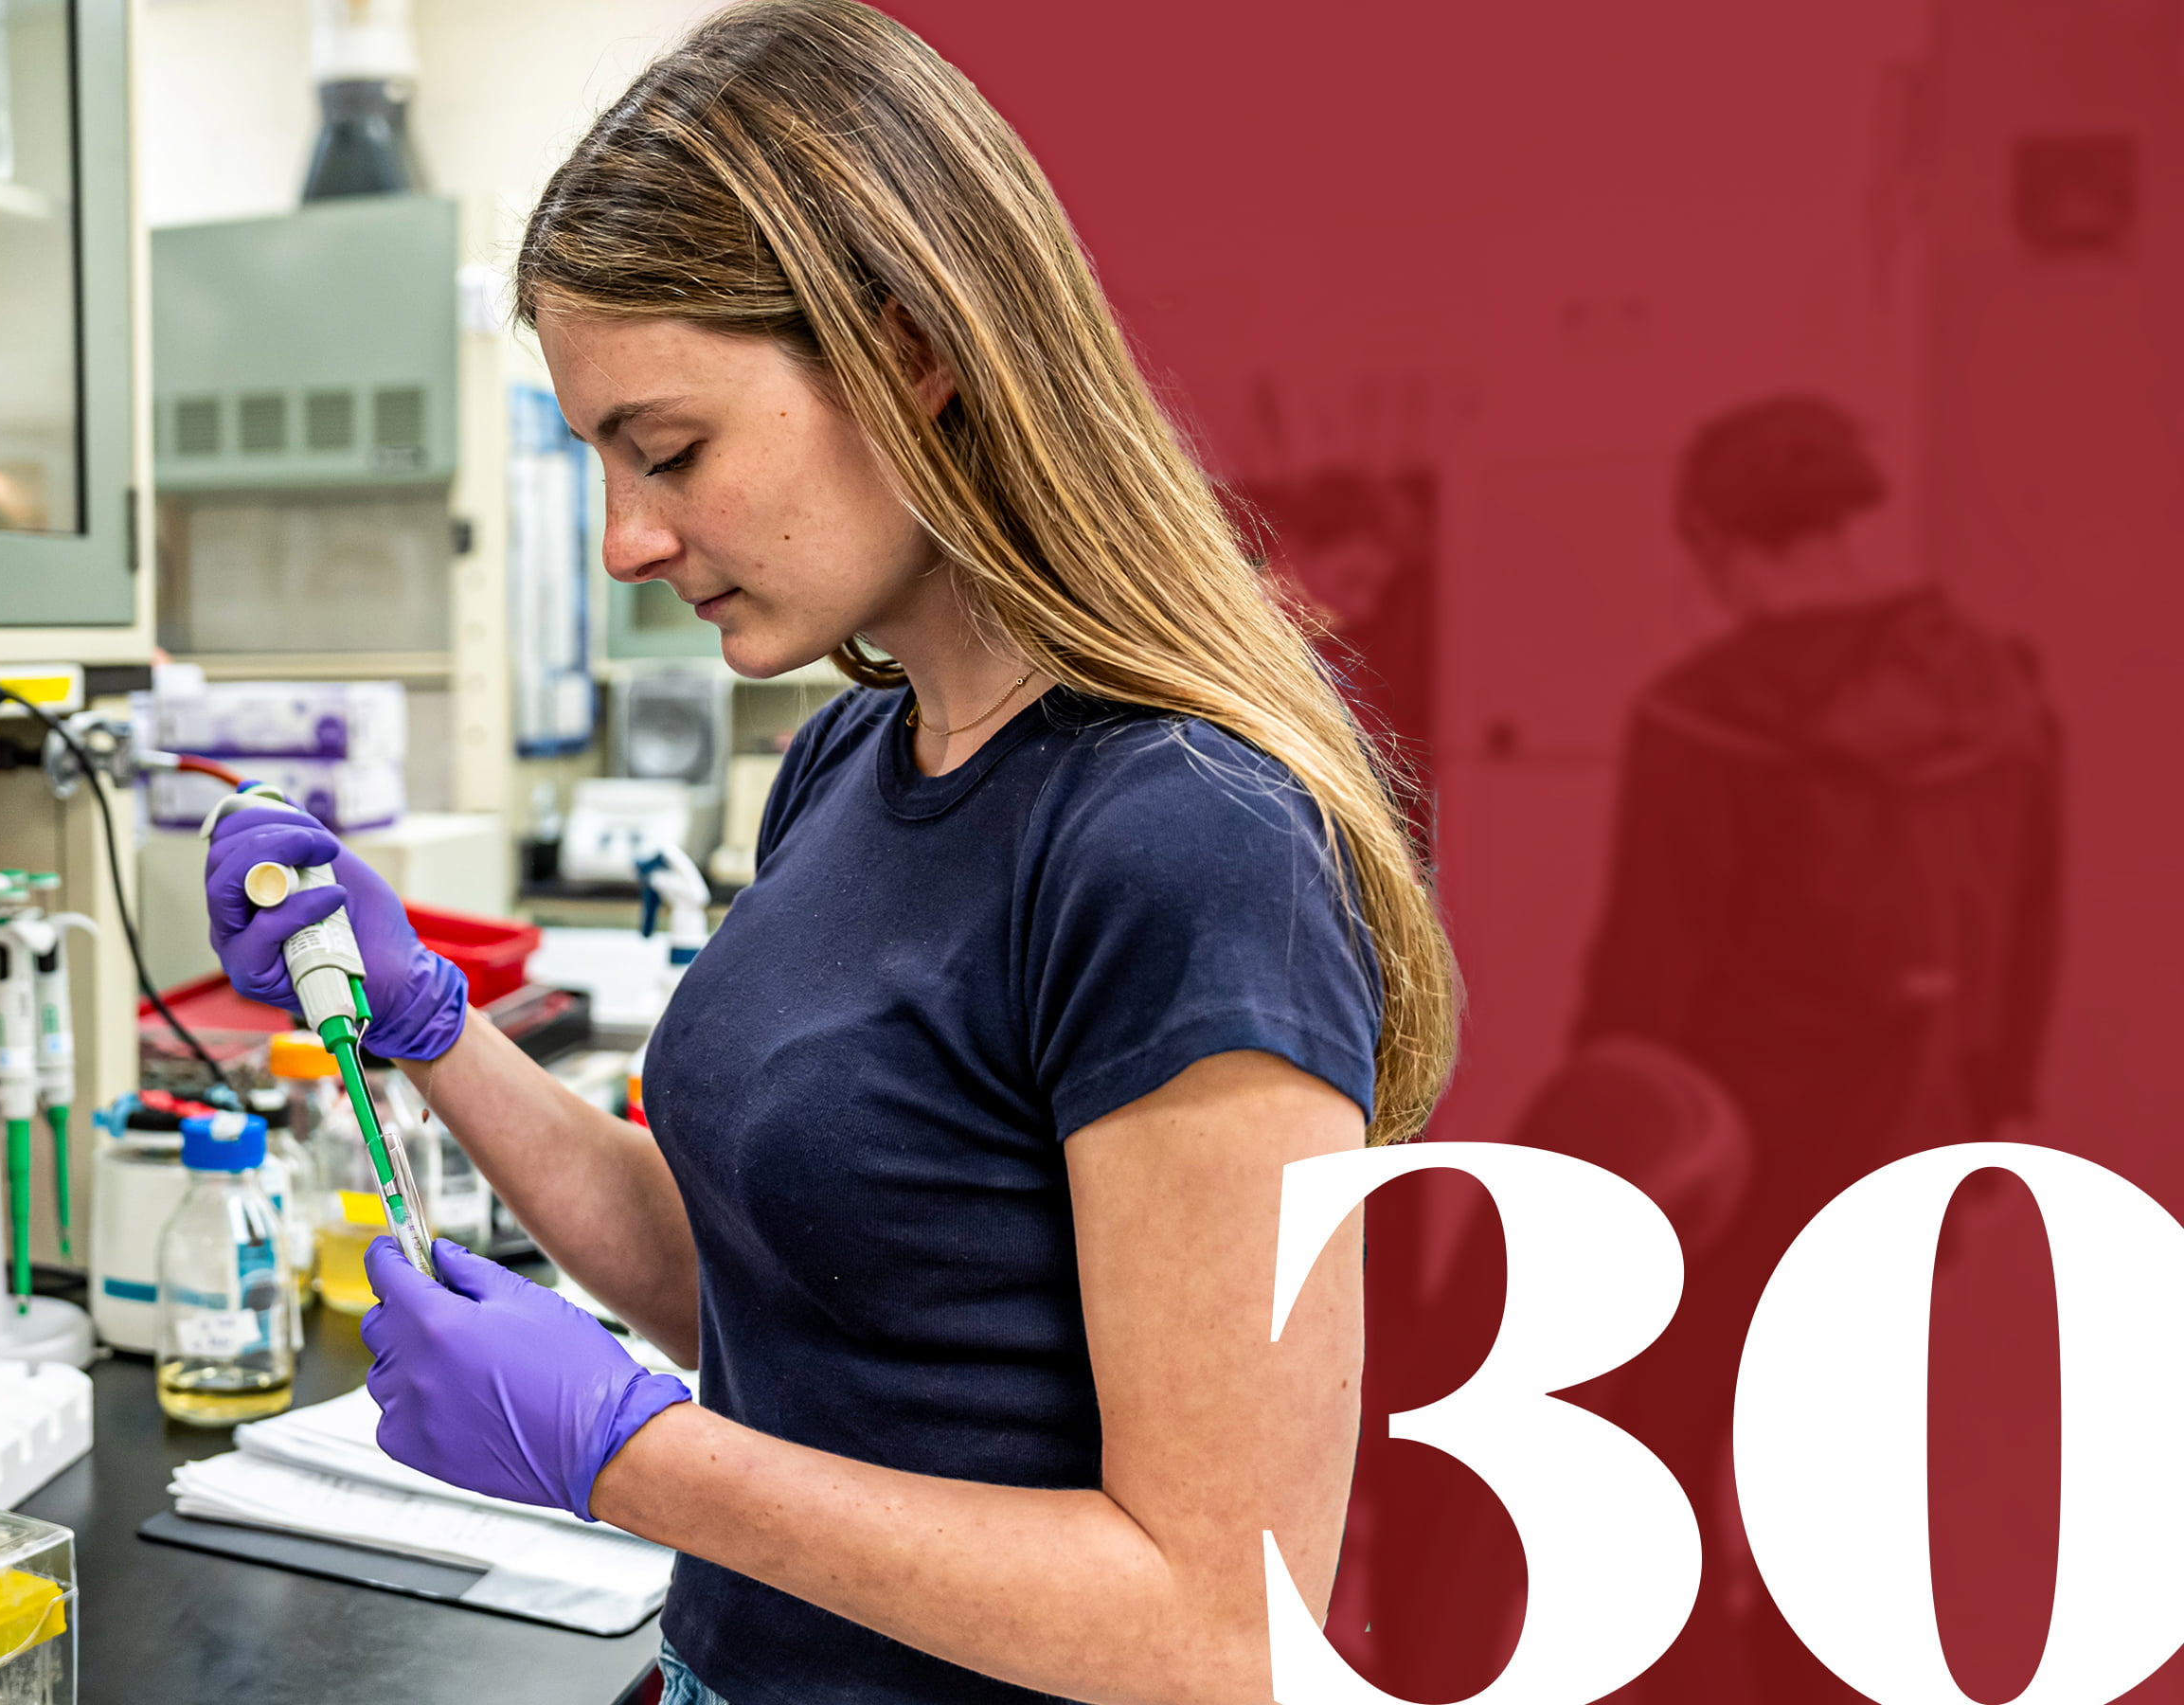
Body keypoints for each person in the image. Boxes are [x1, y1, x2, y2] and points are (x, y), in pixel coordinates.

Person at [206, 4, 1459, 1700]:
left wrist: (625, 1460)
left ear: (914, 350)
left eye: (672, 452)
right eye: (603, 463)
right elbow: (782, 1301)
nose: (631, 540)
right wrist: (430, 1027)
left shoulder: (1184, 840)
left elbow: (1221, 1632)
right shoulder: (850, 758)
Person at [1569, 392, 2062, 1698]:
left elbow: (1647, 979)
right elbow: (2029, 928)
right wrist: (1994, 1110)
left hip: (1720, 1166)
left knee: (1659, 1452)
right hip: (1920, 1139)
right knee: (1845, 1467)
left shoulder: (1698, 717)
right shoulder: (2004, 694)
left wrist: (1582, 1182)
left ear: (1713, 539)